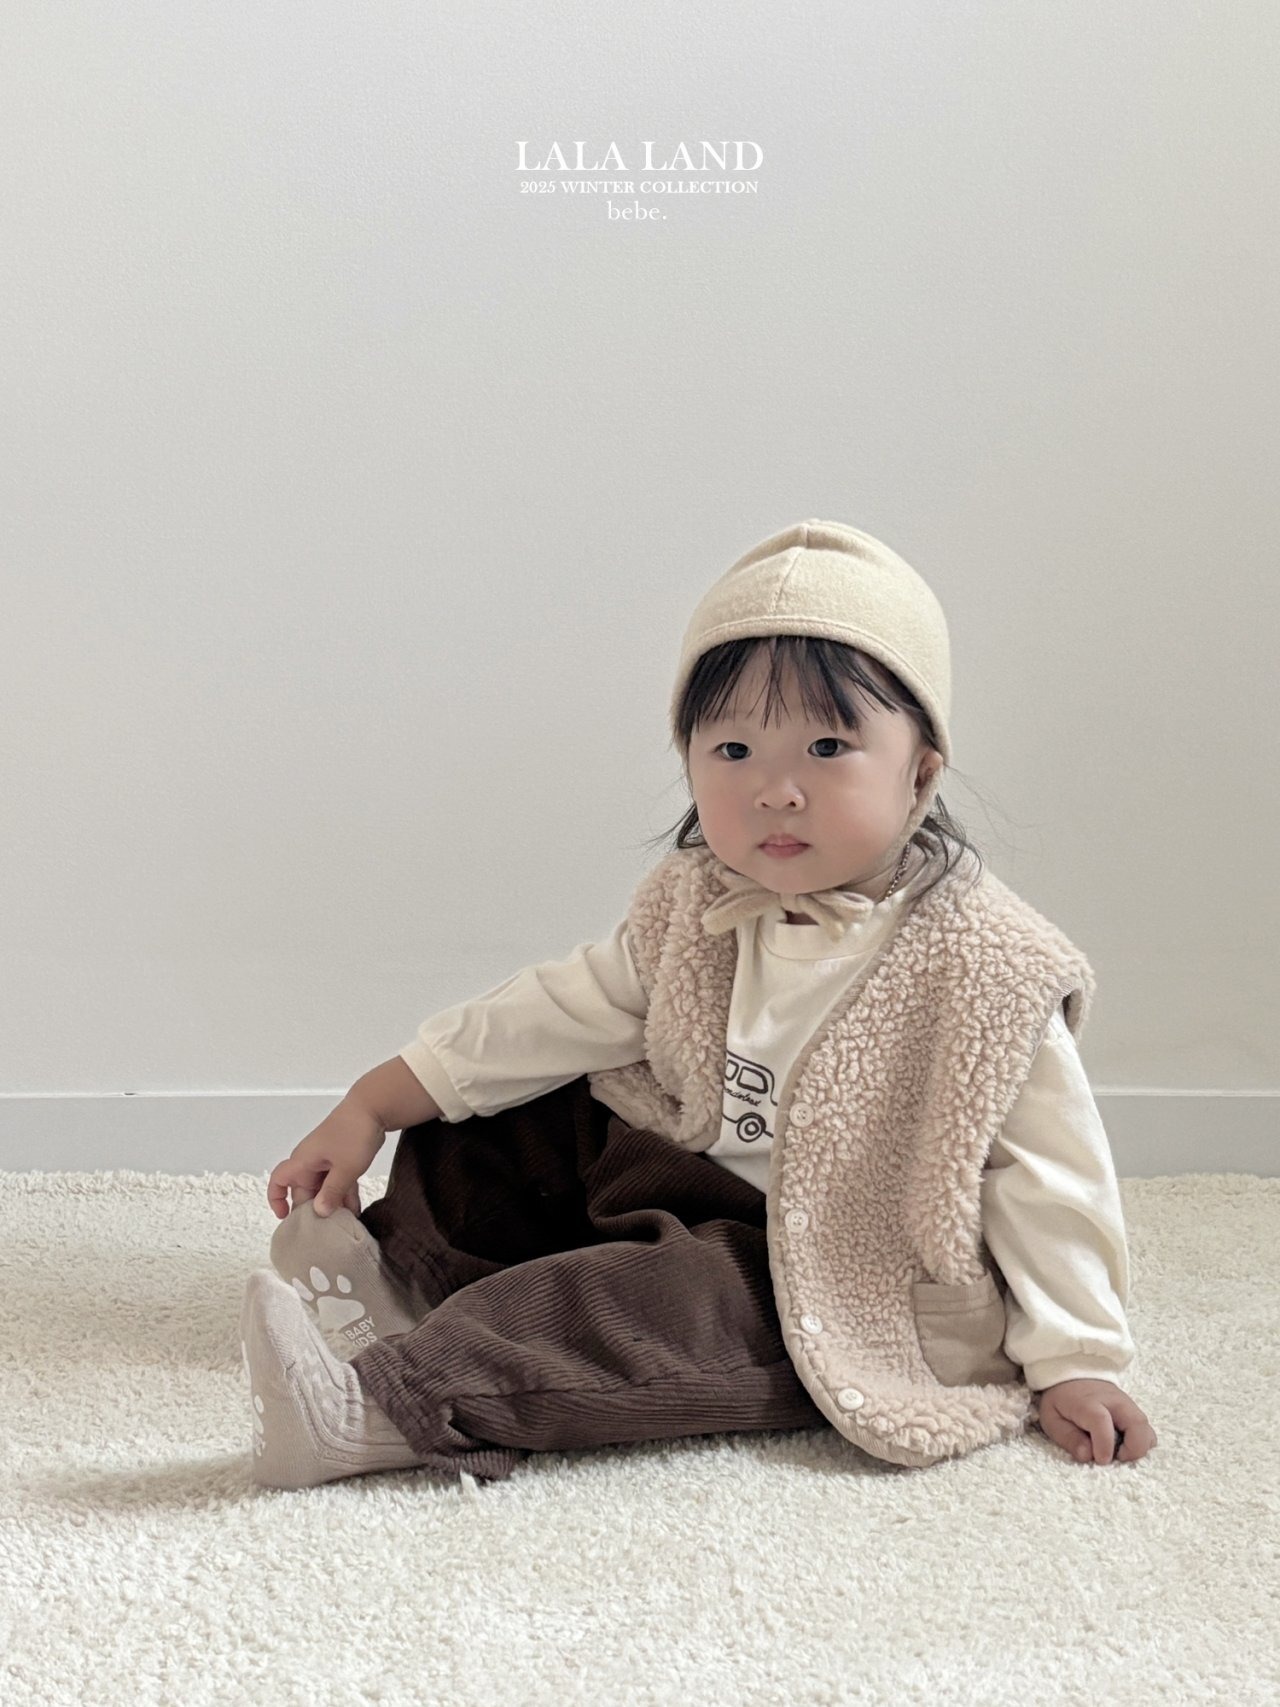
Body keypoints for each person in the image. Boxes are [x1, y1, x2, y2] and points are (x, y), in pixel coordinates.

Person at [240, 517, 1158, 1490]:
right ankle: (400, 1278)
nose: (776, 790)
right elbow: (555, 1010)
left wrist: (1076, 1360)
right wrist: (375, 1101)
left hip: (832, 1266)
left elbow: (1051, 1181)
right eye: (732, 749)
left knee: (647, 1307)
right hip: (679, 1176)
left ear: (920, 772)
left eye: (826, 746)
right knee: (497, 1110)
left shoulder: (984, 967)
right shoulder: (695, 902)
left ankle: (386, 1408)